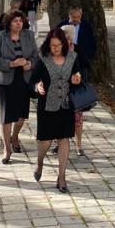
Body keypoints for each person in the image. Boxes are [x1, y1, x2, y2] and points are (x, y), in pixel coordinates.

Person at [29, 28, 82, 193]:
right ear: (48, 45)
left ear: (64, 44)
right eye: (52, 46)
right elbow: (32, 81)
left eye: (58, 45)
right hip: (46, 106)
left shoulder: (73, 58)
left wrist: (77, 79)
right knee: (45, 140)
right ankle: (39, 161)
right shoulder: (43, 59)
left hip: (66, 106)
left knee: (64, 139)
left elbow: (79, 77)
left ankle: (61, 177)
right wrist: (37, 87)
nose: (56, 48)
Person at [0, 10, 38, 164]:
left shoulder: (29, 35)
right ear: (9, 23)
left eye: (20, 21)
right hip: (6, 81)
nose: (18, 23)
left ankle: (15, 136)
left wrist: (30, 64)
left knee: (21, 115)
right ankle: (6, 149)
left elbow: (37, 56)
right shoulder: (0, 37)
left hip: (24, 80)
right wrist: (11, 64)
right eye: (15, 21)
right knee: (6, 116)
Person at [58, 5, 96, 157]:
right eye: (74, 17)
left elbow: (89, 52)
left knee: (77, 116)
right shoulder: (57, 45)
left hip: (75, 86)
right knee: (60, 116)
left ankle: (78, 144)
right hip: (60, 88)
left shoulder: (78, 49)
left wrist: (79, 74)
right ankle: (59, 142)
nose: (76, 20)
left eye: (78, 17)